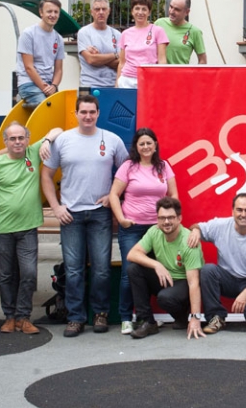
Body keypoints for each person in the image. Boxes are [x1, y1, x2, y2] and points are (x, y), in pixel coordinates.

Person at [41, 95, 129, 337]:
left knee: (101, 269)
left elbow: (127, 172)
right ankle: (75, 317)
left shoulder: (112, 140)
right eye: (83, 112)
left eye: (92, 112)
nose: (88, 116)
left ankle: (100, 313)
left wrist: (113, 197)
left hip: (100, 213)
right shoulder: (63, 140)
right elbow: (46, 175)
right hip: (70, 215)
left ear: (98, 113)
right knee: (73, 270)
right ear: (76, 113)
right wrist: (56, 207)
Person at [0, 121, 61, 335]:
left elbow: (57, 129)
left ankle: (24, 317)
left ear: (28, 139)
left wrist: (47, 140)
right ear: (6, 142)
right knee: (6, 275)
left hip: (28, 227)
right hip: (3, 229)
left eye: (21, 137)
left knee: (29, 273)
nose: (18, 142)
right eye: (12, 138)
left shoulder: (33, 152)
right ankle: (9, 317)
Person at [108, 127, 177, 334]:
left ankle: (146, 317)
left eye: (149, 143)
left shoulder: (163, 167)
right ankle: (127, 317)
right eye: (142, 144)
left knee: (153, 274)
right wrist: (121, 219)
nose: (146, 147)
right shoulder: (128, 167)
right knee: (130, 274)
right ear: (136, 147)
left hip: (158, 230)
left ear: (155, 145)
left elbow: (173, 194)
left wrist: (170, 222)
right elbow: (113, 194)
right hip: (133, 229)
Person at [191, 193, 246, 334]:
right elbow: (197, 226)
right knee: (207, 270)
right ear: (232, 211)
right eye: (239, 210)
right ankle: (216, 318)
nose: (243, 214)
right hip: (227, 279)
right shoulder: (220, 226)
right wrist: (195, 231)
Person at [125, 196, 206, 339]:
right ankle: (148, 322)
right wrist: (156, 264)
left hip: (184, 283)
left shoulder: (189, 241)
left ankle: (183, 317)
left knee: (165, 297)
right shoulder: (154, 232)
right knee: (134, 269)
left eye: (170, 217)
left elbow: (194, 283)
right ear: (157, 220)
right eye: (162, 218)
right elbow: (132, 254)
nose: (166, 222)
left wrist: (195, 318)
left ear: (179, 218)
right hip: (166, 279)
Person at [16, 0, 65, 108]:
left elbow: (59, 70)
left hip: (49, 84)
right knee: (46, 108)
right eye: (49, 11)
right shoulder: (29, 34)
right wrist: (44, 89)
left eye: (56, 12)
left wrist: (54, 86)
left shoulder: (58, 38)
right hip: (29, 83)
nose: (53, 15)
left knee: (62, 109)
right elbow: (28, 67)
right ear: (41, 13)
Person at [115, 0, 168, 88]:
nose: (140, 12)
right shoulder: (125, 34)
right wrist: (117, 85)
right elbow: (122, 62)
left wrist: (161, 82)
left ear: (149, 12)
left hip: (149, 79)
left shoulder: (158, 31)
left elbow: (162, 60)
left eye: (144, 9)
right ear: (132, 11)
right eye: (137, 8)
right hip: (126, 80)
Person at [77, 0, 121, 88]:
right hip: (89, 85)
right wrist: (115, 55)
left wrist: (98, 56)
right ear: (91, 12)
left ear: (109, 11)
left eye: (104, 9)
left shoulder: (117, 35)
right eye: (97, 9)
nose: (101, 12)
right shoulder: (84, 33)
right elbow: (91, 60)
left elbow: (121, 63)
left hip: (112, 86)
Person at [155, 0, 208, 65]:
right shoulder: (159, 24)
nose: (171, 11)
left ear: (187, 12)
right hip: (158, 74)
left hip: (181, 75)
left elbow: (202, 60)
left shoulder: (195, 32)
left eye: (177, 9)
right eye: (171, 7)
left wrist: (195, 75)